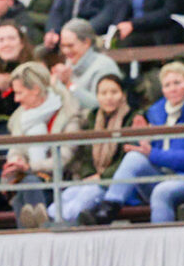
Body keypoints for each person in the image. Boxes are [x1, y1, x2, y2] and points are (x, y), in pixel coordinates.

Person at [85, 62, 184, 225]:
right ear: (162, 90)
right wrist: (143, 141)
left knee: (162, 192)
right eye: (167, 85)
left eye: (177, 83)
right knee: (134, 157)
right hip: (161, 173)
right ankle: (110, 206)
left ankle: (163, 241)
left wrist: (152, 153)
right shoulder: (155, 112)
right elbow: (145, 150)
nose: (172, 88)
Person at [46, 74, 141, 223]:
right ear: (97, 96)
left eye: (114, 92)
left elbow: (126, 159)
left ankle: (56, 223)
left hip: (114, 183)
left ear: (123, 95)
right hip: (93, 178)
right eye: (103, 93)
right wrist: (90, 174)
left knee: (86, 196)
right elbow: (86, 155)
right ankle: (47, 217)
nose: (109, 97)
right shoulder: (93, 117)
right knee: (68, 194)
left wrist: (102, 177)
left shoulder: (133, 118)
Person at [1, 61, 80, 228]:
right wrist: (17, 161)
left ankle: (31, 235)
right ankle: (40, 230)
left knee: (27, 185)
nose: (16, 99)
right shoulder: (20, 117)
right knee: (27, 184)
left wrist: (29, 166)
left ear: (36, 89)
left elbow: (64, 159)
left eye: (19, 93)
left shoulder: (68, 115)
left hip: (61, 181)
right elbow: (15, 150)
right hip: (31, 179)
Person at [49, 19, 120, 111]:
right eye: (63, 46)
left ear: (86, 42)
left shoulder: (104, 66)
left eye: (70, 46)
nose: (66, 51)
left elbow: (100, 105)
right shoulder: (69, 64)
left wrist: (69, 85)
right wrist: (55, 84)